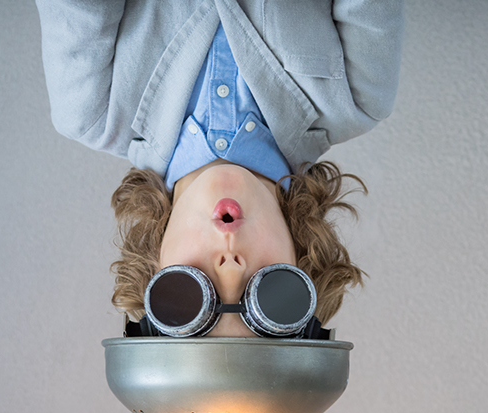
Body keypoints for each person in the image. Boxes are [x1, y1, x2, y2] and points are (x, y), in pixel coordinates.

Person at [36, 0, 404, 335]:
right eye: (271, 288)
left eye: (189, 289)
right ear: (304, 263)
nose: (230, 265)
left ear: (153, 271)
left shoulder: (91, 108)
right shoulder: (358, 98)